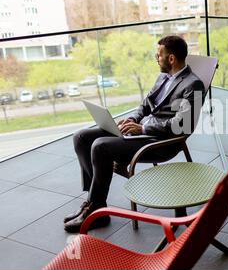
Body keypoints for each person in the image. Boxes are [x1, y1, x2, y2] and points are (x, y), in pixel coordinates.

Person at [64, 35, 205, 233]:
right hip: (141, 131)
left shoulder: (193, 85)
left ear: (171, 59)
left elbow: (184, 124)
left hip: (161, 141)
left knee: (100, 146)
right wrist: (133, 120)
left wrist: (143, 129)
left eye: (159, 55)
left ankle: (96, 209)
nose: (157, 59)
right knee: (81, 137)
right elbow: (145, 105)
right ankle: (93, 201)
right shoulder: (163, 76)